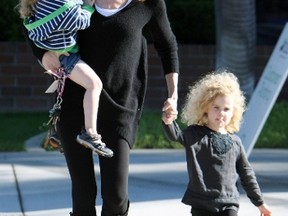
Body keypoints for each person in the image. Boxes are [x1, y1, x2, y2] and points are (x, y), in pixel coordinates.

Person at [22, 0, 179, 215]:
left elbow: (167, 45)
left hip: (121, 108)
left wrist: (173, 95)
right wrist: (42, 54)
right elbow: (31, 17)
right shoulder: (79, 0)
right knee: (83, 195)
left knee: (116, 196)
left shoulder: (147, 4)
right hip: (75, 105)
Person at [162, 71, 272, 216]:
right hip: (201, 204)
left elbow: (247, 174)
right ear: (205, 108)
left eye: (226, 109)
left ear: (234, 112)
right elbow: (176, 136)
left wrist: (260, 203)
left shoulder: (236, 143)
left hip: (228, 204)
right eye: (216, 107)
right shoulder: (195, 134)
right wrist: (168, 121)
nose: (221, 113)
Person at [18, 0, 113, 158]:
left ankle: (60, 135)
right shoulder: (60, 4)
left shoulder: (40, 3)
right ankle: (90, 133)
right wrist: (88, 6)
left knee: (68, 95)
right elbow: (81, 21)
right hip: (65, 57)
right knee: (94, 85)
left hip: (59, 55)